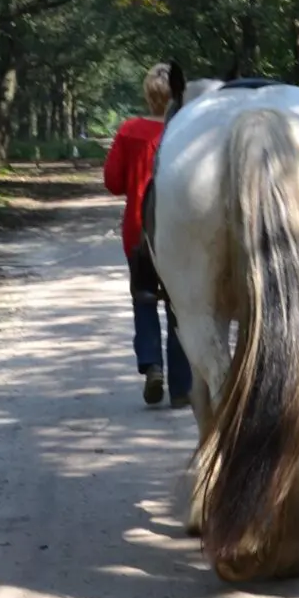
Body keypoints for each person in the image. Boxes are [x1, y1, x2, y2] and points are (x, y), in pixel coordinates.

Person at [103, 63, 192, 408]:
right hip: (180, 230)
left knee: (143, 298)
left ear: (148, 95)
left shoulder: (129, 130)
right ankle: (182, 387)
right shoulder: (187, 130)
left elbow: (112, 182)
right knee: (179, 305)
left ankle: (153, 365)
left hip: (139, 231)